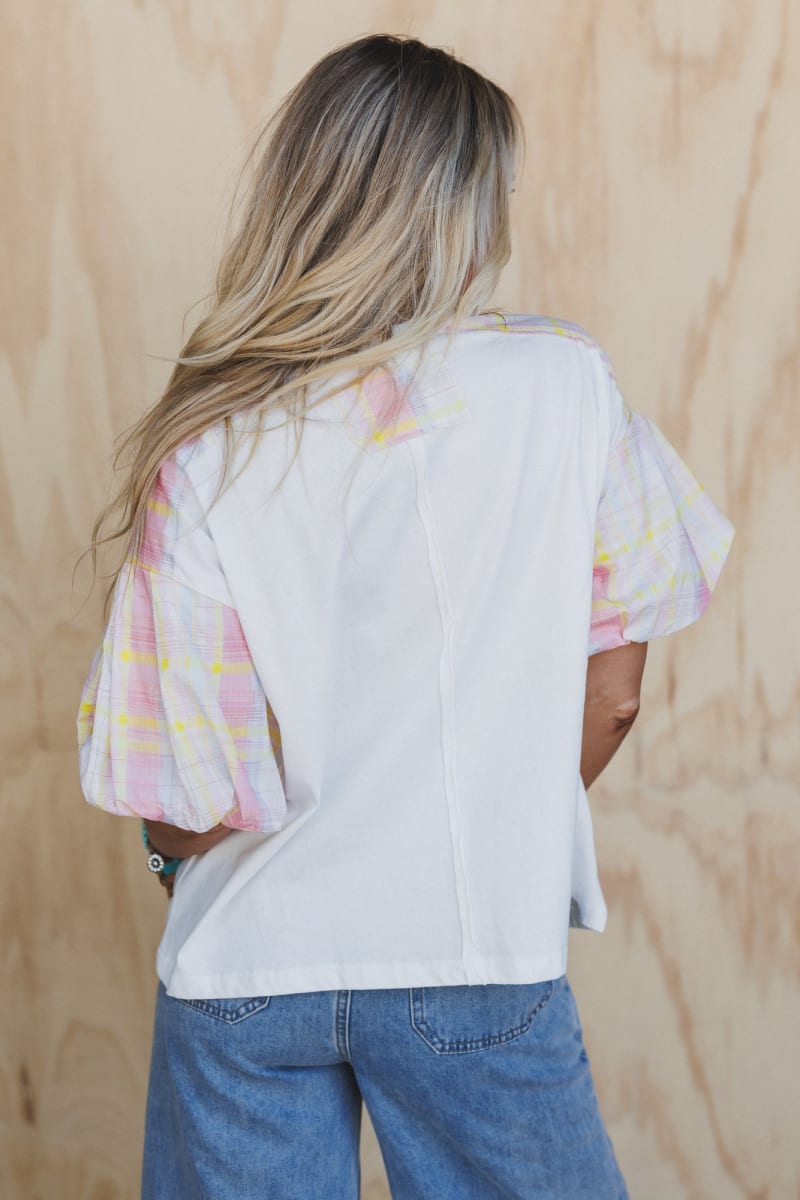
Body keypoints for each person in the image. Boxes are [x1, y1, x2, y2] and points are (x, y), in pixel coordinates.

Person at [75, 33, 734, 1200]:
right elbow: (613, 697)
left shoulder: (211, 437)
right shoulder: (564, 386)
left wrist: (168, 856)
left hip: (244, 969)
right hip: (472, 947)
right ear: (465, 211)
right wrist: (478, 827)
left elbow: (182, 805)